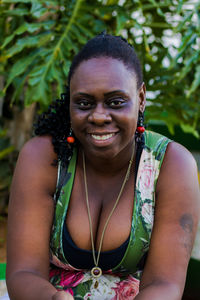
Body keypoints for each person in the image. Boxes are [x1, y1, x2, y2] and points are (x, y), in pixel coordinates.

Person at [5, 33, 200, 300]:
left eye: (115, 102)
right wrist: (52, 298)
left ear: (141, 98)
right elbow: (24, 273)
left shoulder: (170, 165)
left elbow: (165, 285)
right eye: (84, 103)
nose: (98, 116)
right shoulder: (45, 157)